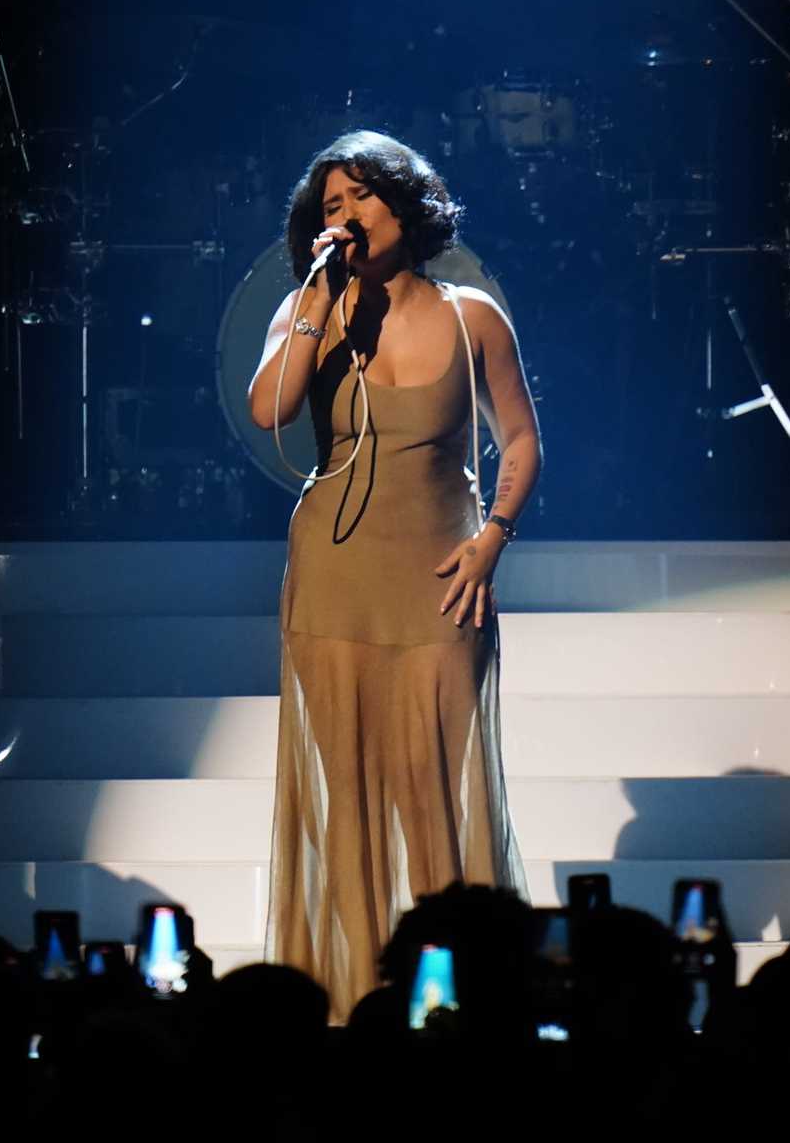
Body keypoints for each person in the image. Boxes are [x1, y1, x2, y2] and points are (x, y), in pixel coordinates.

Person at [248, 130, 540, 1021]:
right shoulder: (313, 312)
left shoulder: (471, 314)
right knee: (350, 807)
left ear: (404, 205)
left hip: (441, 576)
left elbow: (520, 439)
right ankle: (356, 1006)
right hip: (335, 575)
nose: (345, 217)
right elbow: (272, 408)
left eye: (360, 197)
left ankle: (463, 1003)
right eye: (329, 207)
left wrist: (493, 537)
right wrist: (311, 302)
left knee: (435, 799)